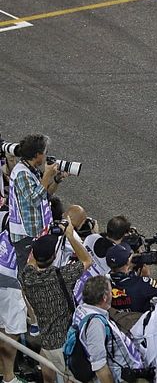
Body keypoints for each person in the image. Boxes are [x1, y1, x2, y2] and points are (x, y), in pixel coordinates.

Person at [19, 221, 93, 383]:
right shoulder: (61, 276)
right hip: (64, 343)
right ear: (54, 257)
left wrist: (45, 236)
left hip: (46, 339)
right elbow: (87, 260)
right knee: (71, 378)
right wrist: (70, 235)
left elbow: (32, 260)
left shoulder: (27, 276)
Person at [8, 135, 67, 270]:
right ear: (37, 155)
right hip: (25, 235)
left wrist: (56, 179)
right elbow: (34, 200)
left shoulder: (31, 169)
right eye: (45, 152)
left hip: (37, 231)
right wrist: (47, 175)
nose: (46, 156)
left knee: (38, 271)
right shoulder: (22, 173)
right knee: (27, 273)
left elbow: (44, 195)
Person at [70, 276, 145, 383]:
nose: (112, 293)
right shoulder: (95, 324)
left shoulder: (82, 309)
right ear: (105, 297)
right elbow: (100, 366)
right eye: (111, 291)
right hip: (122, 377)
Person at [107, 244, 157, 315]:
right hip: (140, 321)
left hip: (119, 320)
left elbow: (145, 274)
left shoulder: (103, 282)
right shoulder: (141, 285)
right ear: (128, 262)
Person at [0, 220, 27, 383]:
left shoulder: (3, 234)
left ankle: (4, 373)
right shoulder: (24, 245)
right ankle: (9, 377)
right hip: (12, 294)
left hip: (5, 290)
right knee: (10, 336)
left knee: (3, 334)